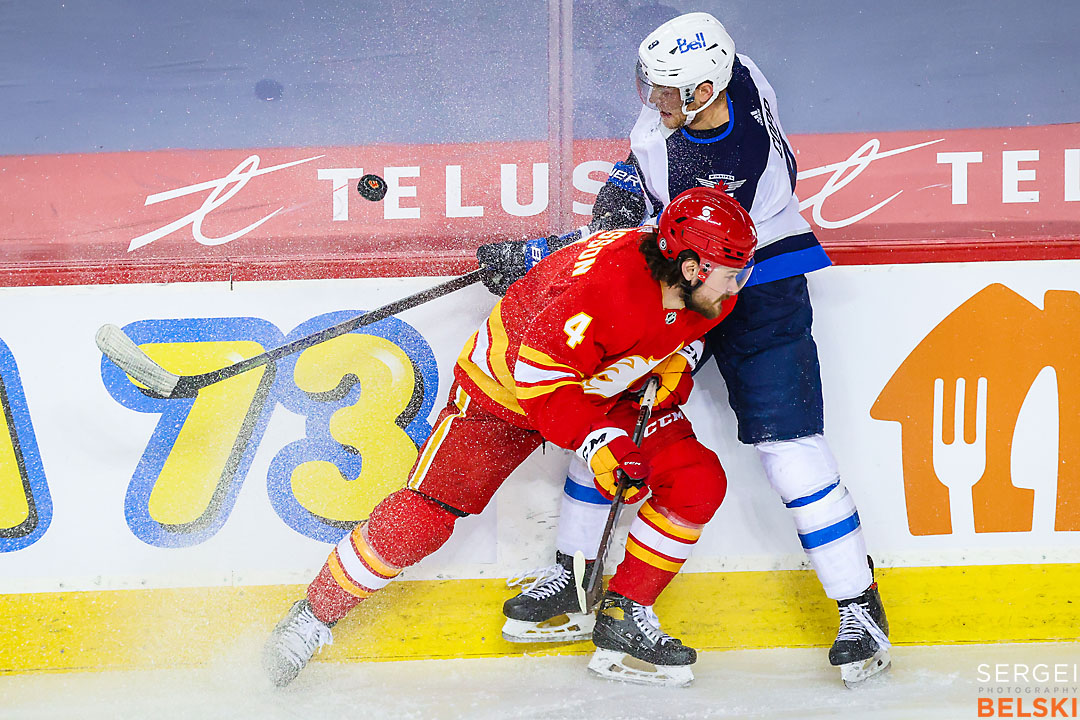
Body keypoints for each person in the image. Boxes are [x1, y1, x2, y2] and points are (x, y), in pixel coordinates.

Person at [477, 11, 890, 687]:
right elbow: (655, 197)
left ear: (704, 90)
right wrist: (621, 182)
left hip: (748, 281)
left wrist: (545, 253)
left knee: (788, 448)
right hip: (700, 263)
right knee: (612, 409)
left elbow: (672, 244)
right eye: (654, 84)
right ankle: (575, 580)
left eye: (670, 91)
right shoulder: (737, 73)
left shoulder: (722, 161)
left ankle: (859, 606)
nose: (655, 100)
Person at [263, 186, 758, 689]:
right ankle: (312, 615)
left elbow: (683, 330)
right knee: (421, 521)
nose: (739, 285)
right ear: (692, 267)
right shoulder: (605, 288)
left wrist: (675, 362)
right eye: (732, 272)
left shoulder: (706, 291)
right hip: (505, 393)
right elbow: (545, 384)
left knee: (696, 483)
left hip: (607, 385)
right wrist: (602, 443)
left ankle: (625, 615)